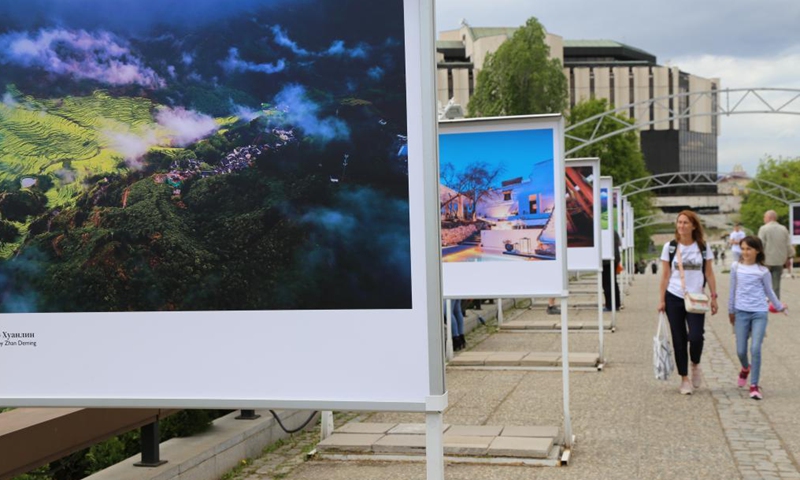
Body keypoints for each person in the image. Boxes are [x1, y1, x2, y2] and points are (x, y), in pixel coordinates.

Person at [658, 210, 718, 395]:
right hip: (674, 296)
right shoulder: (670, 247)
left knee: (696, 337)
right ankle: (684, 378)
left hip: (697, 298)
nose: (681, 226)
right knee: (679, 338)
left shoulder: (702, 247)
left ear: (693, 226)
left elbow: (709, 273)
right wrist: (661, 300)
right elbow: (666, 275)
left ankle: (695, 363)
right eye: (679, 222)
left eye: (685, 222)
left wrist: (714, 296)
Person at [729, 236, 786, 400]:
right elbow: (732, 291)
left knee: (755, 348)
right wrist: (730, 311)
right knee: (740, 350)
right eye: (743, 248)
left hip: (759, 312)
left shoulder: (763, 271)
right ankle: (745, 368)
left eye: (749, 249)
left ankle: (754, 385)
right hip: (740, 312)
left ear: (757, 250)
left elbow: (770, 292)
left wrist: (779, 306)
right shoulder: (736, 267)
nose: (745, 252)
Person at [758, 210, 794, 299]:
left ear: (770, 218)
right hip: (779, 261)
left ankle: (764, 299)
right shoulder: (783, 229)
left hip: (766, 261)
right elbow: (788, 244)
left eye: (764, 217)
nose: (764, 219)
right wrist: (789, 257)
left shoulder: (763, 229)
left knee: (764, 282)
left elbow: (760, 244)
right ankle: (775, 302)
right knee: (776, 283)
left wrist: (757, 258)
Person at [602, 230, 622, 312]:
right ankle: (616, 303)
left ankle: (610, 305)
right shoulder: (613, 231)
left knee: (607, 283)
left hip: (607, 260)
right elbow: (619, 243)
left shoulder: (604, 232)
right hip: (614, 258)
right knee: (613, 282)